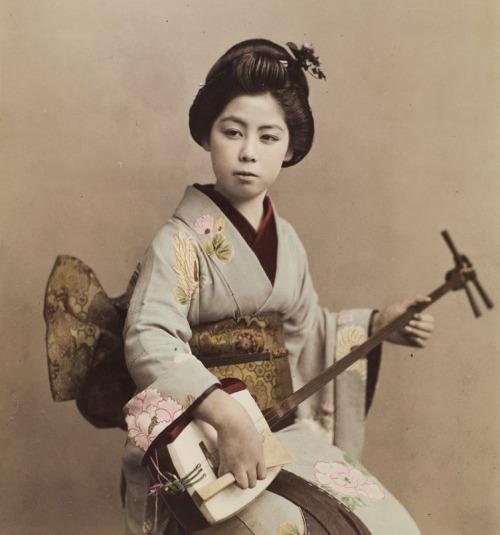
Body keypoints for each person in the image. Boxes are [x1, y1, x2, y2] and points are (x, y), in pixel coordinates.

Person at [121, 38, 434, 535]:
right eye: (233, 131)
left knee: (391, 526)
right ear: (207, 135)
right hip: (205, 442)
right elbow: (149, 337)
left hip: (278, 433)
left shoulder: (286, 240)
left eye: (268, 137)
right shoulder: (178, 243)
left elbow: (309, 333)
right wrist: (225, 415)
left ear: (291, 149)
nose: (248, 152)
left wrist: (375, 325)